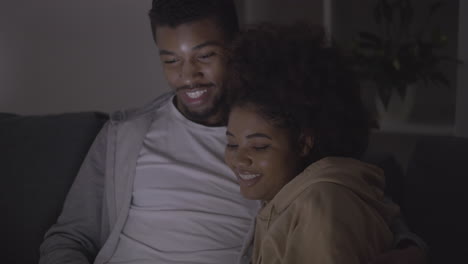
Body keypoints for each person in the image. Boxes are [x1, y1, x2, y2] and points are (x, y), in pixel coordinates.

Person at [39, 1, 426, 263]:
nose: (188, 76)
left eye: (205, 56)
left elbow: (351, 203)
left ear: (236, 47)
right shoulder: (124, 134)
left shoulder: (280, 133)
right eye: (171, 60)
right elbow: (68, 238)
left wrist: (408, 246)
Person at [223, 22, 403, 263]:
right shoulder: (285, 197)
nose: (239, 159)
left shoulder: (320, 203)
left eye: (259, 146)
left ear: (303, 143)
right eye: (232, 144)